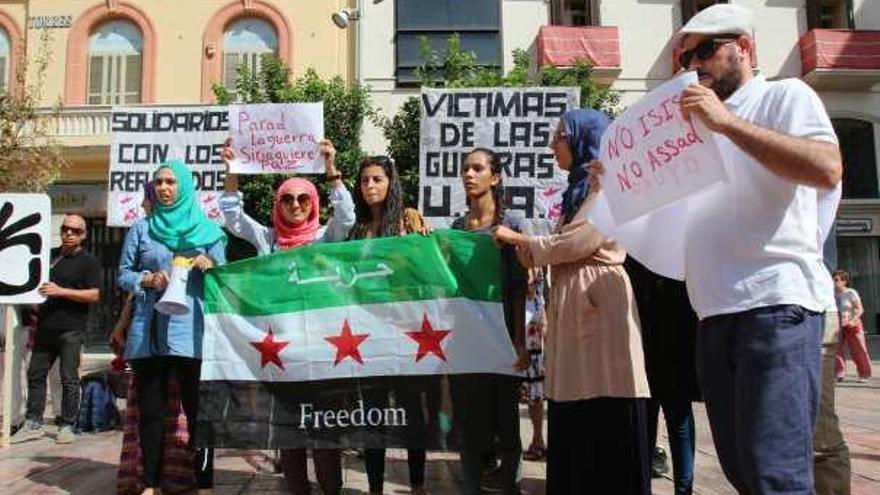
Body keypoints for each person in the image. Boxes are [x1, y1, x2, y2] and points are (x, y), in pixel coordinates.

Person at [601, 4, 842, 492]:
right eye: (686, 57)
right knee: (742, 470)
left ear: (745, 47)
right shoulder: (688, 132)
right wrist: (617, 185)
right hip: (712, 314)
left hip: (776, 305)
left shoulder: (783, 96)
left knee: (776, 473)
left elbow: (826, 167)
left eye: (706, 50)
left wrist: (727, 123)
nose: (695, 66)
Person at [494, 108, 651, 494]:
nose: (552, 146)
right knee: (574, 396)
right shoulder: (582, 189)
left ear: (582, 140)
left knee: (603, 391)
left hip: (599, 299)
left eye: (559, 137)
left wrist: (523, 242)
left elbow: (579, 242)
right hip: (574, 295)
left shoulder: (607, 188)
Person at [220, 139, 352, 495]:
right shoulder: (268, 240)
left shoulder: (326, 238)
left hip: (324, 353)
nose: (295, 205)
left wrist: (331, 167)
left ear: (313, 204)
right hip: (282, 354)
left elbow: (347, 217)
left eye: (303, 199)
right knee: (289, 433)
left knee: (325, 434)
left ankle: (331, 489)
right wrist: (232, 171)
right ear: (278, 204)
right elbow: (233, 218)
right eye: (287, 199)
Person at [118, 160, 227, 495]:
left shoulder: (209, 231)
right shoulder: (142, 229)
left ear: (184, 186)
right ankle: (150, 484)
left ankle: (204, 484)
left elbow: (225, 280)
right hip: (149, 333)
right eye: (159, 183)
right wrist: (146, 279)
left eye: (170, 182)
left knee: (199, 414)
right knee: (151, 414)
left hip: (192, 333)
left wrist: (212, 267)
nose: (164, 188)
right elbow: (123, 273)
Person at [347, 156, 429, 495]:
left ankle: (418, 485)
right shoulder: (357, 229)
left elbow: (426, 265)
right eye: (365, 180)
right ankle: (375, 487)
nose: (370, 186)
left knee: (412, 414)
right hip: (370, 336)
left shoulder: (409, 219)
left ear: (390, 182)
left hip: (407, 333)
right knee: (374, 416)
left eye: (377, 179)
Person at [449, 148, 527, 495]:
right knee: (469, 429)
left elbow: (521, 289)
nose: (469, 174)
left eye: (477, 168)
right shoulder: (455, 229)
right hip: (467, 344)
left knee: (507, 428)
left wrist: (522, 343)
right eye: (465, 168)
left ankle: (509, 486)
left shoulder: (514, 227)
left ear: (494, 177)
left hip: (504, 339)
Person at [14, 213, 101, 445]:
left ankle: (66, 424)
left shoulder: (89, 261)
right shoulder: (49, 256)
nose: (69, 234)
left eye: (75, 231)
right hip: (45, 326)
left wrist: (61, 291)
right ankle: (34, 422)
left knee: (69, 378)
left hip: (71, 329)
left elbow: (94, 294)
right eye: (65, 229)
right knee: (35, 374)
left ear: (84, 235)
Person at [625, 258, 699, 495]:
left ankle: (680, 488)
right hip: (655, 345)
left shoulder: (643, 251)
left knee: (673, 419)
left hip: (668, 345)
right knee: (657, 420)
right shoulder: (669, 252)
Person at [521, 267, 546, 463]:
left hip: (530, 321)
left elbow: (530, 288)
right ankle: (538, 440)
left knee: (533, 385)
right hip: (531, 318)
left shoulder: (527, 251)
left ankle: (538, 440)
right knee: (532, 385)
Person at [833, 269, 872, 382]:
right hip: (838, 323)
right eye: (833, 280)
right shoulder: (832, 294)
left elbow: (860, 309)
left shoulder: (850, 292)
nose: (834, 282)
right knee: (837, 349)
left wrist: (853, 320)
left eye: (837, 280)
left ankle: (864, 374)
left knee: (859, 350)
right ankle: (839, 373)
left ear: (844, 281)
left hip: (852, 323)